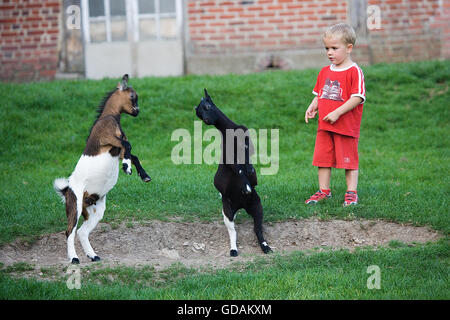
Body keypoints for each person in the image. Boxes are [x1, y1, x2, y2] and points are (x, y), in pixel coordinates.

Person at [304, 23, 366, 207]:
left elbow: (358, 97)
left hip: (345, 127)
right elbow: (320, 94)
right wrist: (312, 106)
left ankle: (351, 193)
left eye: (334, 48)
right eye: (327, 48)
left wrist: (338, 112)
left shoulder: (354, 71)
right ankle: (324, 191)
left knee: (349, 161)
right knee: (323, 159)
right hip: (325, 126)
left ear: (349, 48)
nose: (329, 52)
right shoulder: (324, 72)